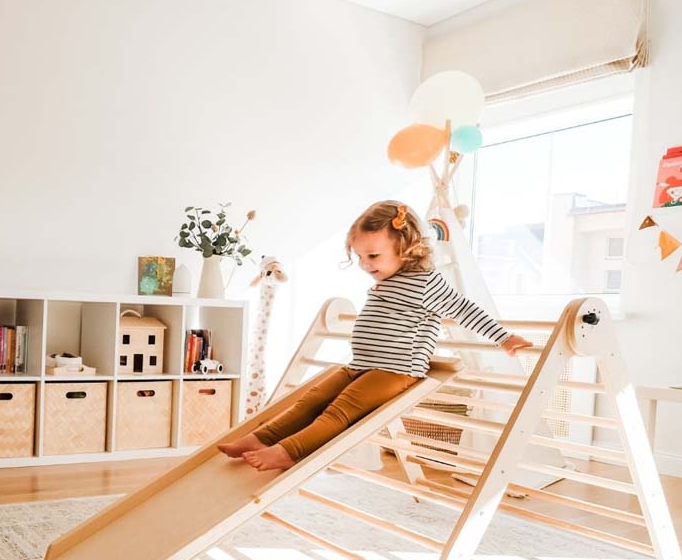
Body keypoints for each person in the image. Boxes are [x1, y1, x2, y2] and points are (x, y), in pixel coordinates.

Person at [218, 200, 532, 472]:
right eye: (360, 258)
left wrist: (503, 338)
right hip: (362, 364)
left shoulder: (425, 281)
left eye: (373, 256)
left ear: (405, 247)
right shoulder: (390, 277)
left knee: (338, 411)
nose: (365, 265)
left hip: (395, 370)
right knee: (309, 401)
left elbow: (464, 308)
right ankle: (259, 438)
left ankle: (290, 452)